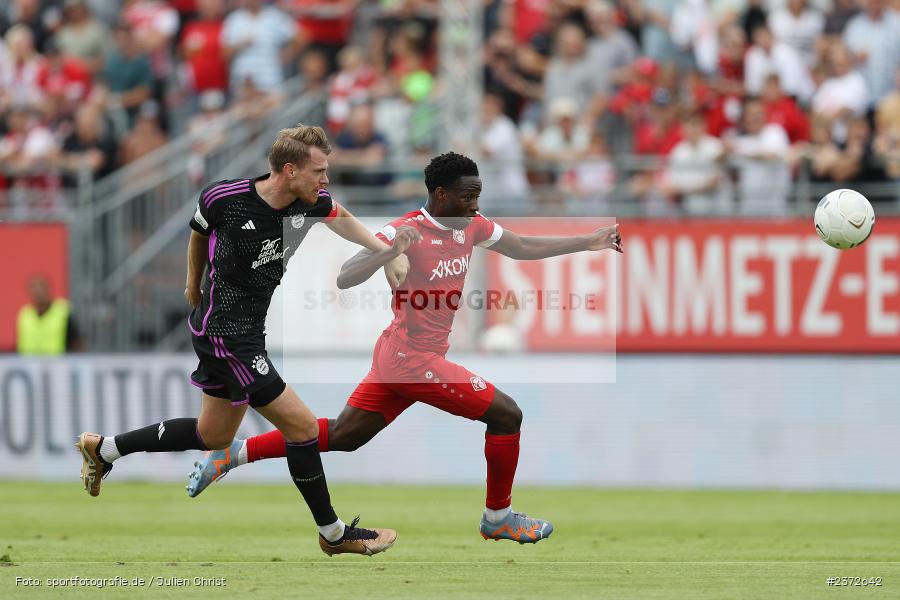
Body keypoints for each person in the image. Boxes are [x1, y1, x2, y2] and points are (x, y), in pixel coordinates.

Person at [186, 152, 623, 544]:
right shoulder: (407, 229)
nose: (475, 203)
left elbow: (522, 246)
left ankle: (234, 453)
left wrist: (588, 242)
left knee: (343, 435)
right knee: (507, 414)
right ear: (440, 194)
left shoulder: (471, 226)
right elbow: (346, 275)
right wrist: (388, 251)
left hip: (401, 356)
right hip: (412, 360)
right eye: (468, 195)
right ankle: (498, 517)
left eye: (478, 195)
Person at [75, 125, 404, 557]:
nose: (325, 180)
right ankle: (333, 532)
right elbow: (198, 232)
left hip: (247, 332)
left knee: (212, 435)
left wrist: (388, 250)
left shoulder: (311, 202)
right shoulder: (224, 198)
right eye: (319, 171)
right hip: (223, 333)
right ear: (289, 171)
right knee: (302, 428)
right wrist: (193, 281)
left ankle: (105, 450)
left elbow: (341, 218)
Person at [17, 275, 81, 355]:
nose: (39, 294)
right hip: (29, 365)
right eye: (35, 291)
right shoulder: (25, 314)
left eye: (41, 289)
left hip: (58, 364)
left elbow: (75, 342)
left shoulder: (63, 311)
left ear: (48, 290)